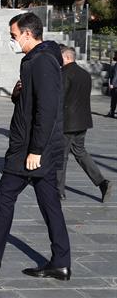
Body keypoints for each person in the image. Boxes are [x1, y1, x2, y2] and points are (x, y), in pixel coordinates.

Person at [0, 13, 71, 281]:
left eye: (13, 35)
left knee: (4, 198)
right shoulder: (36, 60)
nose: (12, 40)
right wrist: (19, 95)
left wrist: (36, 150)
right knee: (50, 205)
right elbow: (34, 103)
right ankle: (61, 262)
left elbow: (47, 110)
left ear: (28, 34)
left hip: (29, 150)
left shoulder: (42, 61)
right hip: (31, 146)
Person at [57, 46, 113, 202]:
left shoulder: (63, 74)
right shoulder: (85, 74)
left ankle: (59, 191)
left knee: (61, 156)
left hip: (67, 122)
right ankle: (102, 182)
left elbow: (60, 100)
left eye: (60, 57)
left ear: (67, 57)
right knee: (80, 152)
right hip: (83, 121)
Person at [107, 51, 117, 118]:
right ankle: (112, 112)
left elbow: (116, 75)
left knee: (114, 99)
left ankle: (112, 112)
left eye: (115, 55)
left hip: (115, 86)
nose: (114, 56)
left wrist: (112, 84)